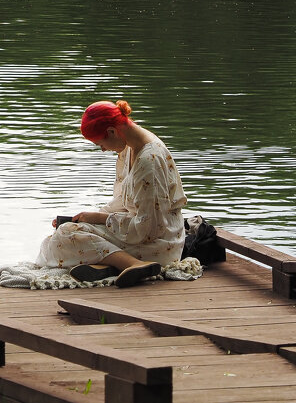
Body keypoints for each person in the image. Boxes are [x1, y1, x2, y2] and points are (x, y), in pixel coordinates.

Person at [36, 100, 187, 287]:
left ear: (112, 131)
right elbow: (123, 200)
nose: (103, 149)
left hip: (158, 243)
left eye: (101, 143)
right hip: (139, 231)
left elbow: (150, 229)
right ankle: (111, 264)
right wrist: (86, 218)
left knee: (65, 237)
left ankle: (135, 264)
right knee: (59, 236)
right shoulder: (129, 146)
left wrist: (101, 219)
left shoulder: (149, 161)